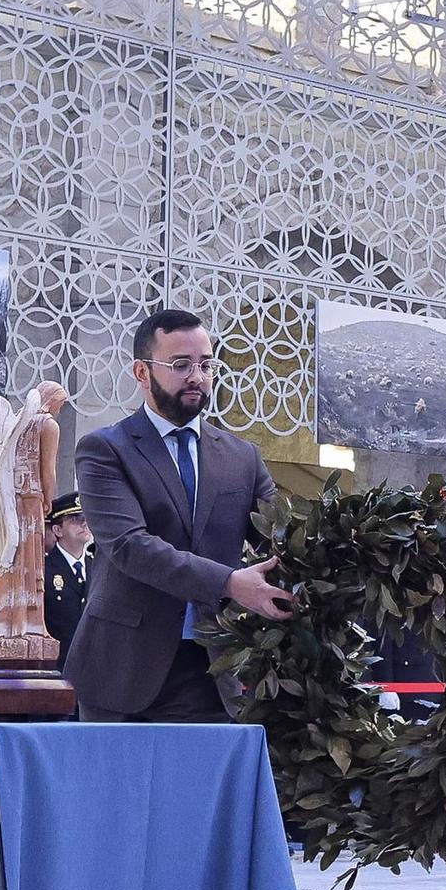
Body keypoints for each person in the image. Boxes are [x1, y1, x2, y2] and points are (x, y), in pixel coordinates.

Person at [67, 309, 293, 722]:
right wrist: (229, 582)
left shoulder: (242, 457)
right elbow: (130, 546)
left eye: (206, 365)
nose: (197, 376)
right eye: (180, 365)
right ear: (141, 371)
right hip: (122, 672)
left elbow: (282, 541)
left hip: (214, 669)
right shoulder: (104, 450)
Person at [44, 492, 93, 660]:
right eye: (76, 519)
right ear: (58, 530)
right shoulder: (44, 570)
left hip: (95, 665)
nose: (84, 524)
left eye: (86, 518)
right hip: (60, 665)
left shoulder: (98, 567)